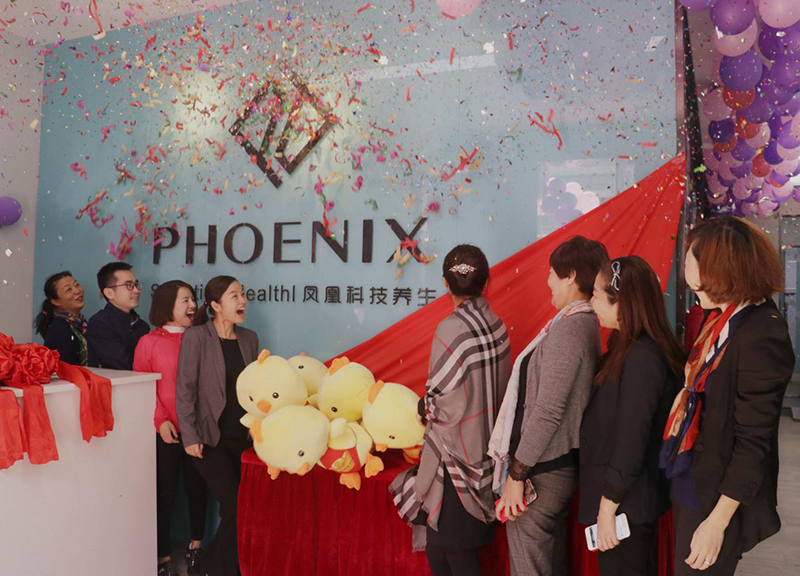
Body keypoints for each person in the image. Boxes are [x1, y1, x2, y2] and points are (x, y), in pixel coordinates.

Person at [661, 216, 794, 576]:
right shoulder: (721, 318)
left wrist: (716, 523)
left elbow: (753, 441)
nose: (684, 265)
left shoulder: (761, 332)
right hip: (693, 475)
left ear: (717, 268)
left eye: (690, 257)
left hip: (717, 496)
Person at [390, 245, 511, 576]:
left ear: (445, 283)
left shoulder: (451, 328)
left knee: (453, 558)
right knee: (448, 553)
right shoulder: (498, 326)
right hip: (487, 454)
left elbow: (441, 405)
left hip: (455, 461)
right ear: (487, 281)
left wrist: (423, 406)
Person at [492, 235, 607, 576]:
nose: (547, 281)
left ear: (570, 276)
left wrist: (517, 474)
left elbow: (548, 411)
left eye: (552, 273)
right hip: (551, 464)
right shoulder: (579, 323)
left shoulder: (571, 329)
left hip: (543, 469)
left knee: (529, 567)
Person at [578, 256, 684, 576]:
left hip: (627, 505)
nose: (591, 302)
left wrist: (607, 508)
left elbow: (632, 439)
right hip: (622, 499)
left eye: (596, 294)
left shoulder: (643, 357)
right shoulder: (625, 346)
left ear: (621, 302)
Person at [176, 276, 258, 576]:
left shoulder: (249, 338)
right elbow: (185, 390)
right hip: (209, 438)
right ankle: (211, 568)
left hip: (243, 438)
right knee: (235, 504)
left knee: (242, 507)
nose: (242, 300)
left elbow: (256, 388)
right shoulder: (197, 337)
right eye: (234, 295)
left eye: (243, 294)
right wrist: (189, 436)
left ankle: (229, 568)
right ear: (215, 305)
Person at [134, 281, 207, 576]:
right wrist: (160, 420)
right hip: (166, 432)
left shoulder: (201, 338)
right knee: (164, 495)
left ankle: (196, 547)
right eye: (185, 300)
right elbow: (144, 387)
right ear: (167, 305)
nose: (193, 305)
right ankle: (162, 556)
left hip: (197, 431)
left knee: (198, 490)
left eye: (193, 299)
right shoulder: (148, 342)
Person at [86, 262, 149, 370]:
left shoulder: (142, 326)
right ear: (109, 293)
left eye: (136, 285)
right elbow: (123, 364)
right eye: (129, 285)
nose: (137, 290)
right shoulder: (99, 323)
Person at [35, 271, 88, 366]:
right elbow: (67, 368)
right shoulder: (60, 328)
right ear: (55, 302)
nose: (77, 291)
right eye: (68, 290)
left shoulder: (80, 323)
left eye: (77, 285)